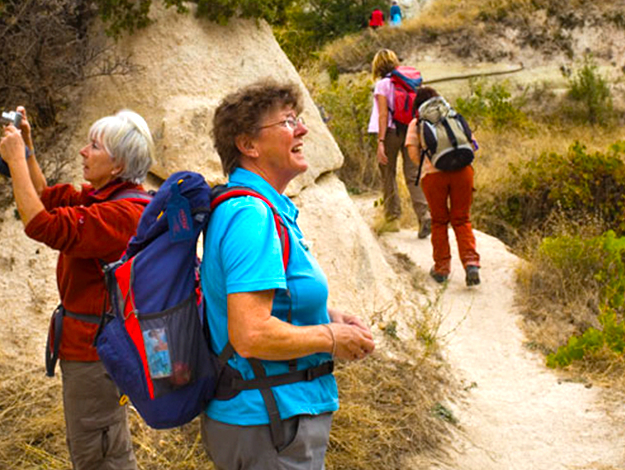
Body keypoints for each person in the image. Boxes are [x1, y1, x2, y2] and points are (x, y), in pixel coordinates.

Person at [201, 80, 375, 470]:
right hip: (269, 424)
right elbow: (250, 334)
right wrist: (332, 338)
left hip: (273, 419)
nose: (302, 129)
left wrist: (328, 316)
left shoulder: (267, 210)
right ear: (249, 145)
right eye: (287, 122)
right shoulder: (252, 216)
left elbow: (272, 304)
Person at [0, 107, 156, 470]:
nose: (83, 151)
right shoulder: (105, 198)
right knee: (99, 442)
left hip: (95, 353)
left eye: (94, 146)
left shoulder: (122, 215)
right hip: (90, 346)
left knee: (100, 452)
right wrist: (29, 151)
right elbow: (45, 198)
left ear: (118, 165)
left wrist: (16, 162)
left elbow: (42, 225)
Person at [405, 86, 480, 287]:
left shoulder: (417, 123)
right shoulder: (452, 115)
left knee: (439, 221)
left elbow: (413, 154)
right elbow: (472, 143)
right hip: (463, 172)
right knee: (462, 219)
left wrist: (431, 162)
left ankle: (441, 269)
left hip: (433, 177)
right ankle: (471, 263)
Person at [367, 49, 431, 238]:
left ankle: (392, 219)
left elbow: (384, 114)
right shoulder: (409, 81)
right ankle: (424, 215)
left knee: (388, 173)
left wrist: (380, 141)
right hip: (411, 130)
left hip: (391, 133)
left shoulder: (382, 85)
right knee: (413, 175)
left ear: (377, 66)